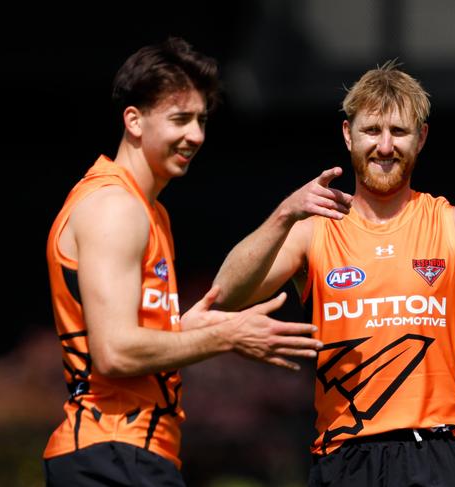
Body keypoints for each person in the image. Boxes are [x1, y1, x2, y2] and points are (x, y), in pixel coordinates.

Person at [213, 60, 455, 486]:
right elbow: (225, 295)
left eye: (399, 132)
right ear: (348, 134)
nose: (385, 146)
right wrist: (282, 215)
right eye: (372, 130)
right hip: (342, 458)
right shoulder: (311, 230)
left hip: (432, 456)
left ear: (420, 139)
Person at [42, 37, 323, 487]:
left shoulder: (149, 210)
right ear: (133, 120)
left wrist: (200, 326)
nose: (196, 135)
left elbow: (138, 337)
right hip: (111, 455)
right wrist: (227, 335)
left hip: (131, 455)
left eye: (201, 120)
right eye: (180, 119)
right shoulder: (115, 206)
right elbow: (113, 352)